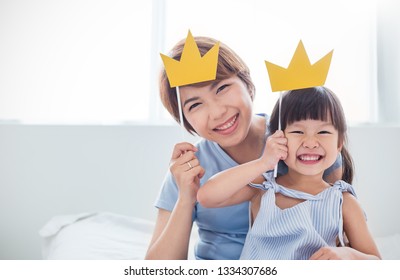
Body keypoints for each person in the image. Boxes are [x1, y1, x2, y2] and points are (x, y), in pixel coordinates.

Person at [145, 36, 342, 260]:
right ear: (186, 120)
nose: (218, 112)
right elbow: (158, 268)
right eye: (195, 104)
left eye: (222, 88)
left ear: (247, 85)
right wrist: (186, 197)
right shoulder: (188, 169)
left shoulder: (306, 147)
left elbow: (337, 228)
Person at [197, 87, 381, 260]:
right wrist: (263, 162)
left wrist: (349, 256)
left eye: (323, 131)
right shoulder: (264, 188)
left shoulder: (343, 202)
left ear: (339, 144)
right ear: (278, 138)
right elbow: (207, 196)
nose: (310, 142)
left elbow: (377, 264)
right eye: (297, 131)